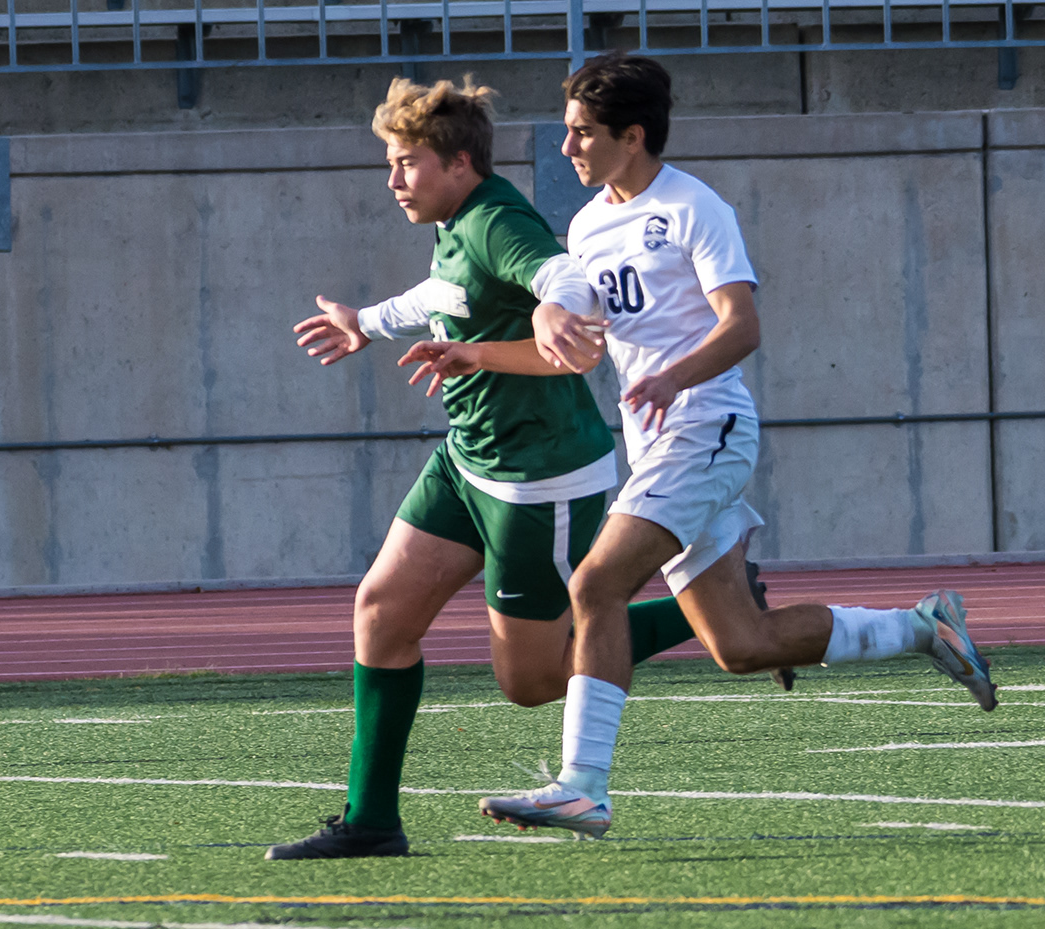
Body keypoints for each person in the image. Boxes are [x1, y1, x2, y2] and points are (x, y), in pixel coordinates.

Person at [462, 52, 998, 841]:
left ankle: (582, 787)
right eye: (569, 130)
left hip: (706, 429)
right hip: (659, 446)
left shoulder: (693, 208)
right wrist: (472, 352)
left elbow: (741, 326)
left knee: (597, 584)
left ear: (632, 136)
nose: (568, 146)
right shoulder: (586, 225)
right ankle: (926, 626)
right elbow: (575, 349)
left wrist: (672, 378)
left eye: (583, 132)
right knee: (742, 645)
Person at [266, 74, 704, 860]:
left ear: (459, 162)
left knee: (529, 681)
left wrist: (554, 306)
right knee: (381, 612)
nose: (393, 179)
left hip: (538, 479)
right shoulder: (458, 221)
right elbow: (444, 294)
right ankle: (372, 820)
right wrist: (367, 322)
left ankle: (701, 613)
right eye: (391, 163)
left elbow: (561, 274)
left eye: (406, 163)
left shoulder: (498, 219)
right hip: (467, 461)